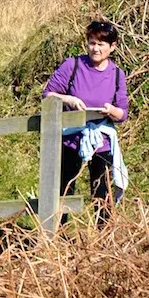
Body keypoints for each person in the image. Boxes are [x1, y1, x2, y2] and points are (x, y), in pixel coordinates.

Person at [43, 19, 129, 224]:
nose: (95, 49)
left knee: (102, 193)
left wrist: (110, 111)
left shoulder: (117, 75)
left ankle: (103, 236)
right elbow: (48, 95)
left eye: (101, 44)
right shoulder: (72, 65)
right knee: (63, 189)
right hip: (70, 138)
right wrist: (69, 100)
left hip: (101, 141)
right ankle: (58, 234)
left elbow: (123, 113)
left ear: (112, 46)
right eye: (92, 43)